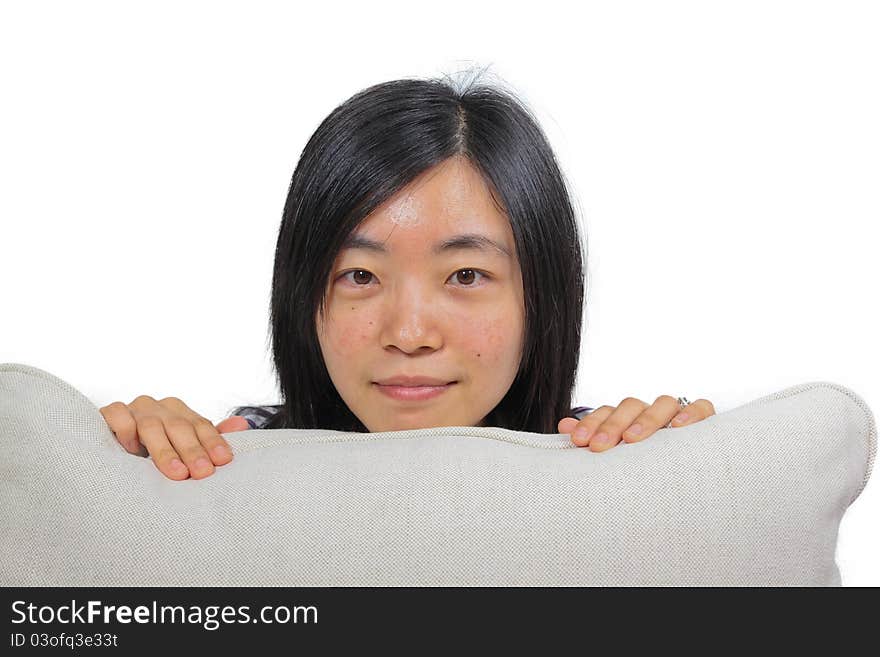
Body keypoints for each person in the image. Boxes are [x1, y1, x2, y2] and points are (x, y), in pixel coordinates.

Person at [99, 71, 715, 481]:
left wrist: (691, 452)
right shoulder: (231, 461)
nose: (411, 333)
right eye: (360, 276)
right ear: (302, 295)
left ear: (543, 297)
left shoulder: (608, 465)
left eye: (466, 275)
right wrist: (108, 458)